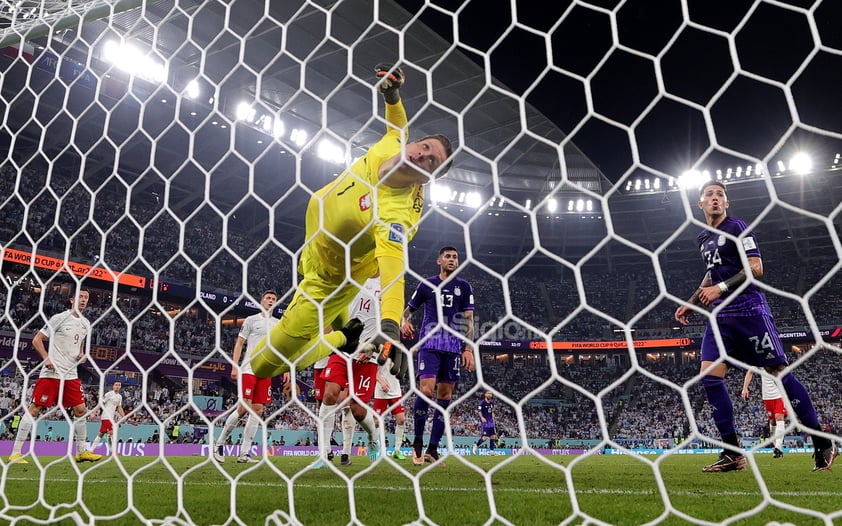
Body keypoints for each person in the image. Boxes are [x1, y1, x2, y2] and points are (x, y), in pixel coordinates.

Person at [247, 64, 454, 385]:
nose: (421, 156)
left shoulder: (395, 214)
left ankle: (344, 338)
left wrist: (389, 326)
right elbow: (398, 126)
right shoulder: (394, 145)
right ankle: (348, 322)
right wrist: (392, 95)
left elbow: (394, 270)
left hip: (329, 284)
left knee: (262, 365)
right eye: (424, 147)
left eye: (431, 162)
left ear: (426, 180)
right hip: (316, 243)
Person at [674, 180, 837, 472]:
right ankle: (732, 452)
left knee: (778, 373)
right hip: (719, 317)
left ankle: (822, 441)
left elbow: (756, 267)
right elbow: (711, 276)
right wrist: (693, 301)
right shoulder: (703, 238)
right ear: (699, 204)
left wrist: (720, 288)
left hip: (749, 312)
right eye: (709, 195)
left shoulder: (738, 227)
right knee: (709, 378)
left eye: (720, 195)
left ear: (727, 203)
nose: (714, 198)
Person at [8, 288, 102, 464]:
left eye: (86, 298)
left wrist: (81, 355)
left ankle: (81, 452)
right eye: (80, 297)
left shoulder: (86, 323)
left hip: (71, 374)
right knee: (35, 408)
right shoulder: (59, 318)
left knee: (81, 411)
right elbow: (37, 339)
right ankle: (15, 452)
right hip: (52, 373)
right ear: (72, 300)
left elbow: (79, 347)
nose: (83, 300)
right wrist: (46, 358)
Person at [401, 246, 475, 465]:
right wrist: (404, 321)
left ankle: (432, 450)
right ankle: (417, 444)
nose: (452, 260)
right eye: (448, 257)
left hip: (453, 347)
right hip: (430, 343)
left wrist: (468, 348)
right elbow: (408, 310)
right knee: (425, 390)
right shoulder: (427, 284)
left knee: (445, 396)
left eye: (455, 257)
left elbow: (469, 319)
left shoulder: (464, 287)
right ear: (439, 261)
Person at [314, 276, 383, 469]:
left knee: (357, 410)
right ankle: (324, 453)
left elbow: (391, 327)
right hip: (344, 348)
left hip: (367, 355)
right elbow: (334, 312)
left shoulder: (389, 284)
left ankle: (372, 437)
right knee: (329, 395)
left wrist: (375, 349)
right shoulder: (350, 276)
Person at [213, 290, 280, 463]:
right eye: (268, 298)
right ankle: (219, 444)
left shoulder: (278, 324)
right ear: (261, 301)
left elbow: (279, 349)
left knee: (258, 411)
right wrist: (235, 366)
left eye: (274, 299)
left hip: (266, 371)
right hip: (249, 368)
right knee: (244, 408)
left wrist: (285, 369)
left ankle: (244, 453)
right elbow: (239, 343)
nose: (271, 301)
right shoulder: (251, 320)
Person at [741, 370, 786, 458]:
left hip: (780, 395)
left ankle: (778, 447)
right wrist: (745, 388)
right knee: (773, 422)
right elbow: (750, 371)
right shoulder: (759, 360)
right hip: (767, 397)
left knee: (779, 418)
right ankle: (775, 445)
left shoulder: (779, 357)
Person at [373, 356, 407, 461]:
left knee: (401, 420)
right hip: (381, 392)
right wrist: (381, 382)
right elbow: (372, 370)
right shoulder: (379, 351)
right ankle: (375, 448)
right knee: (376, 422)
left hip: (395, 391)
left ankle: (397, 450)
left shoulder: (398, 353)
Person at [89, 381, 126, 456]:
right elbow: (100, 404)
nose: (117, 386)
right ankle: (113, 451)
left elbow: (119, 407)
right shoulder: (109, 394)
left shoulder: (119, 397)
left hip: (111, 417)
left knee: (101, 434)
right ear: (113, 386)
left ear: (120, 387)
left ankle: (91, 450)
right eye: (116, 385)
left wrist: (124, 416)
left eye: (119, 385)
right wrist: (94, 413)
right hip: (106, 416)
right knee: (111, 433)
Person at [472, 390, 498, 455]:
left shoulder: (492, 403)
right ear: (485, 395)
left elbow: (492, 412)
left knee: (493, 436)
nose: (489, 394)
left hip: (491, 422)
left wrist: (493, 419)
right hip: (485, 422)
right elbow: (479, 411)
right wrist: (482, 417)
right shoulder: (482, 403)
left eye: (491, 394)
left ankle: (491, 451)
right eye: (488, 393)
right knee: (485, 438)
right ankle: (476, 445)